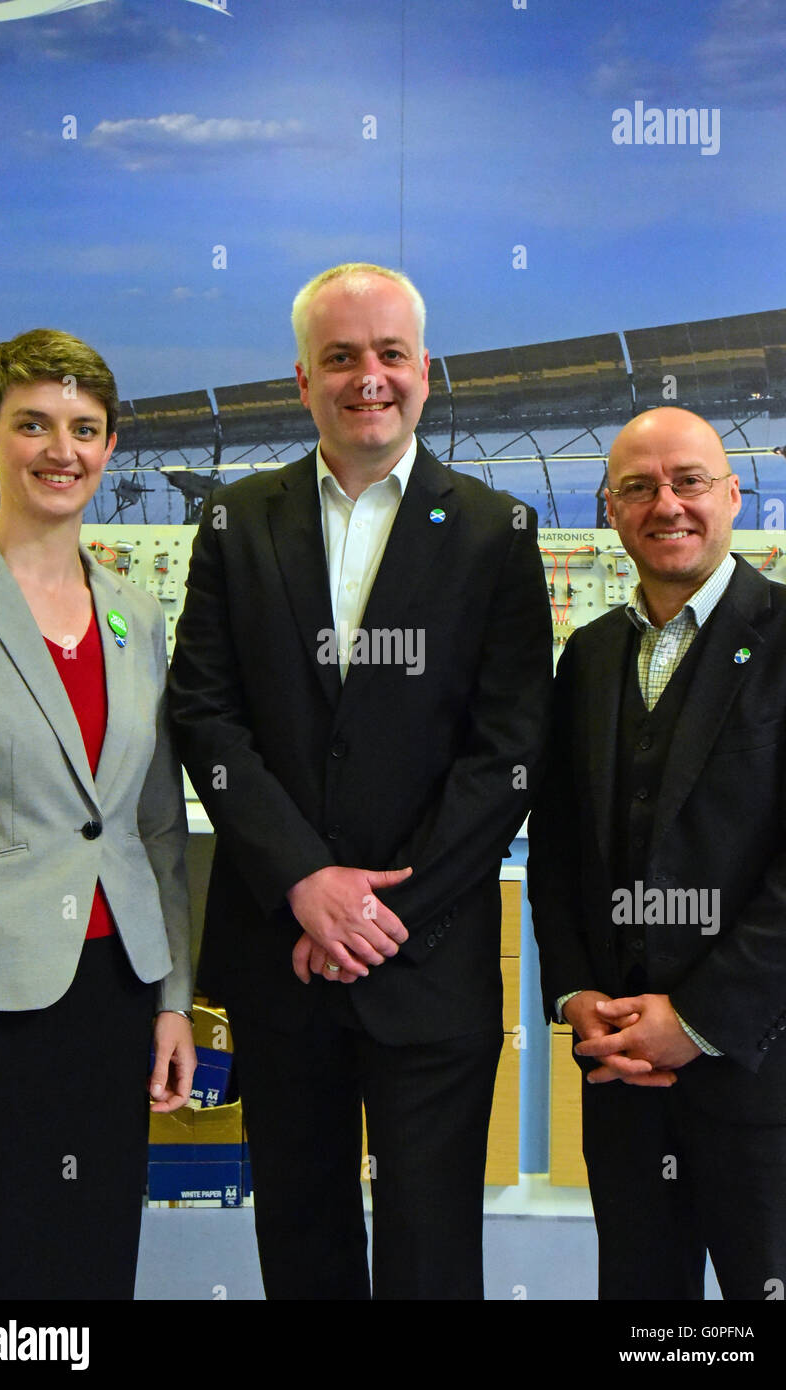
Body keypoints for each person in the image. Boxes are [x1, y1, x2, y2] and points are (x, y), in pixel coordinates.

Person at [168, 262, 551, 1300]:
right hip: (280, 954)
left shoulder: (492, 532)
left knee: (430, 1256)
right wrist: (305, 882)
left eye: (387, 355)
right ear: (302, 379)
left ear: (425, 372)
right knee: (301, 1237)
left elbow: (508, 749)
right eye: (340, 357)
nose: (366, 378)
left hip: (424, 960)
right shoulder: (235, 524)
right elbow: (205, 714)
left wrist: (382, 911)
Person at [0, 329, 195, 1300]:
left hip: (112, 999)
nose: (62, 449)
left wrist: (171, 998)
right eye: (32, 425)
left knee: (88, 1269)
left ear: (110, 447)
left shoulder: (134, 614)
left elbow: (152, 824)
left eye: (85, 428)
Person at [528, 405, 786, 1300]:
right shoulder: (590, 657)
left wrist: (693, 1021)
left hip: (766, 1078)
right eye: (639, 488)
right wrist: (575, 997)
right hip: (622, 1081)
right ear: (610, 511)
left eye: (689, 482)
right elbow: (560, 853)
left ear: (733, 496)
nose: (667, 505)